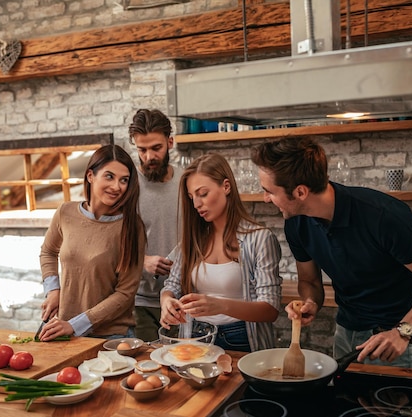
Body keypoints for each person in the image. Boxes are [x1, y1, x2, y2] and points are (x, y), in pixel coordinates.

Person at [251, 137, 412, 368]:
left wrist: (403, 332)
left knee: (392, 405)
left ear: (300, 192)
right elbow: (309, 281)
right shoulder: (296, 223)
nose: (265, 198)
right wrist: (310, 303)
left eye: (269, 191)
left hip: (392, 339)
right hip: (346, 331)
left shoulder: (382, 215)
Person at [160, 153, 282, 352]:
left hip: (242, 337)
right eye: (192, 197)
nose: (197, 204)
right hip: (195, 337)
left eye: (203, 193)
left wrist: (220, 305)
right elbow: (171, 285)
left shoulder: (259, 239)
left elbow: (270, 309)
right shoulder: (192, 240)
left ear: (226, 187)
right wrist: (166, 300)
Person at [38, 144, 146, 341]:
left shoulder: (131, 226)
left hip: (110, 337)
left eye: (124, 180)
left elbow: (125, 294)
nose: (117, 187)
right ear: (90, 176)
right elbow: (48, 252)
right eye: (109, 176)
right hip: (62, 327)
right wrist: (53, 291)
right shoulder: (66, 213)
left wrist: (74, 325)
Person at [128, 109, 183, 342]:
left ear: (170, 142)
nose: (149, 156)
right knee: (147, 369)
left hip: (181, 298)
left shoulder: (186, 182)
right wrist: (143, 260)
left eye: (156, 148)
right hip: (139, 300)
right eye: (142, 150)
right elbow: (110, 239)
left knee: (182, 362)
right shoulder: (127, 186)